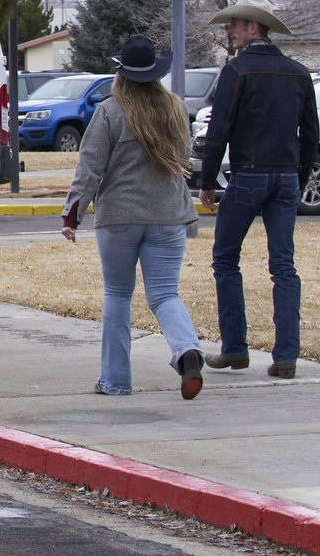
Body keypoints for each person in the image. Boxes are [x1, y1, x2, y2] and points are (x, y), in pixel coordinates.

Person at [62, 33, 205, 399]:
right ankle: (187, 350)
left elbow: (90, 167)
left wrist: (72, 214)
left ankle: (116, 381)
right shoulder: (175, 108)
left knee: (118, 295)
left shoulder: (109, 111)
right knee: (164, 294)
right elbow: (184, 158)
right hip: (169, 215)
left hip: (119, 217)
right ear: (155, 74)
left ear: (121, 74)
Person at [195, 0, 320, 378]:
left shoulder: (238, 71)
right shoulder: (299, 73)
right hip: (285, 176)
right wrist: (297, 180)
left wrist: (207, 182)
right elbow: (311, 136)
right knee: (283, 266)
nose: (229, 31)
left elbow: (219, 131)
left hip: (247, 175)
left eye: (234, 24)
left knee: (225, 259)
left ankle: (235, 347)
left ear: (253, 27)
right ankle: (286, 357)